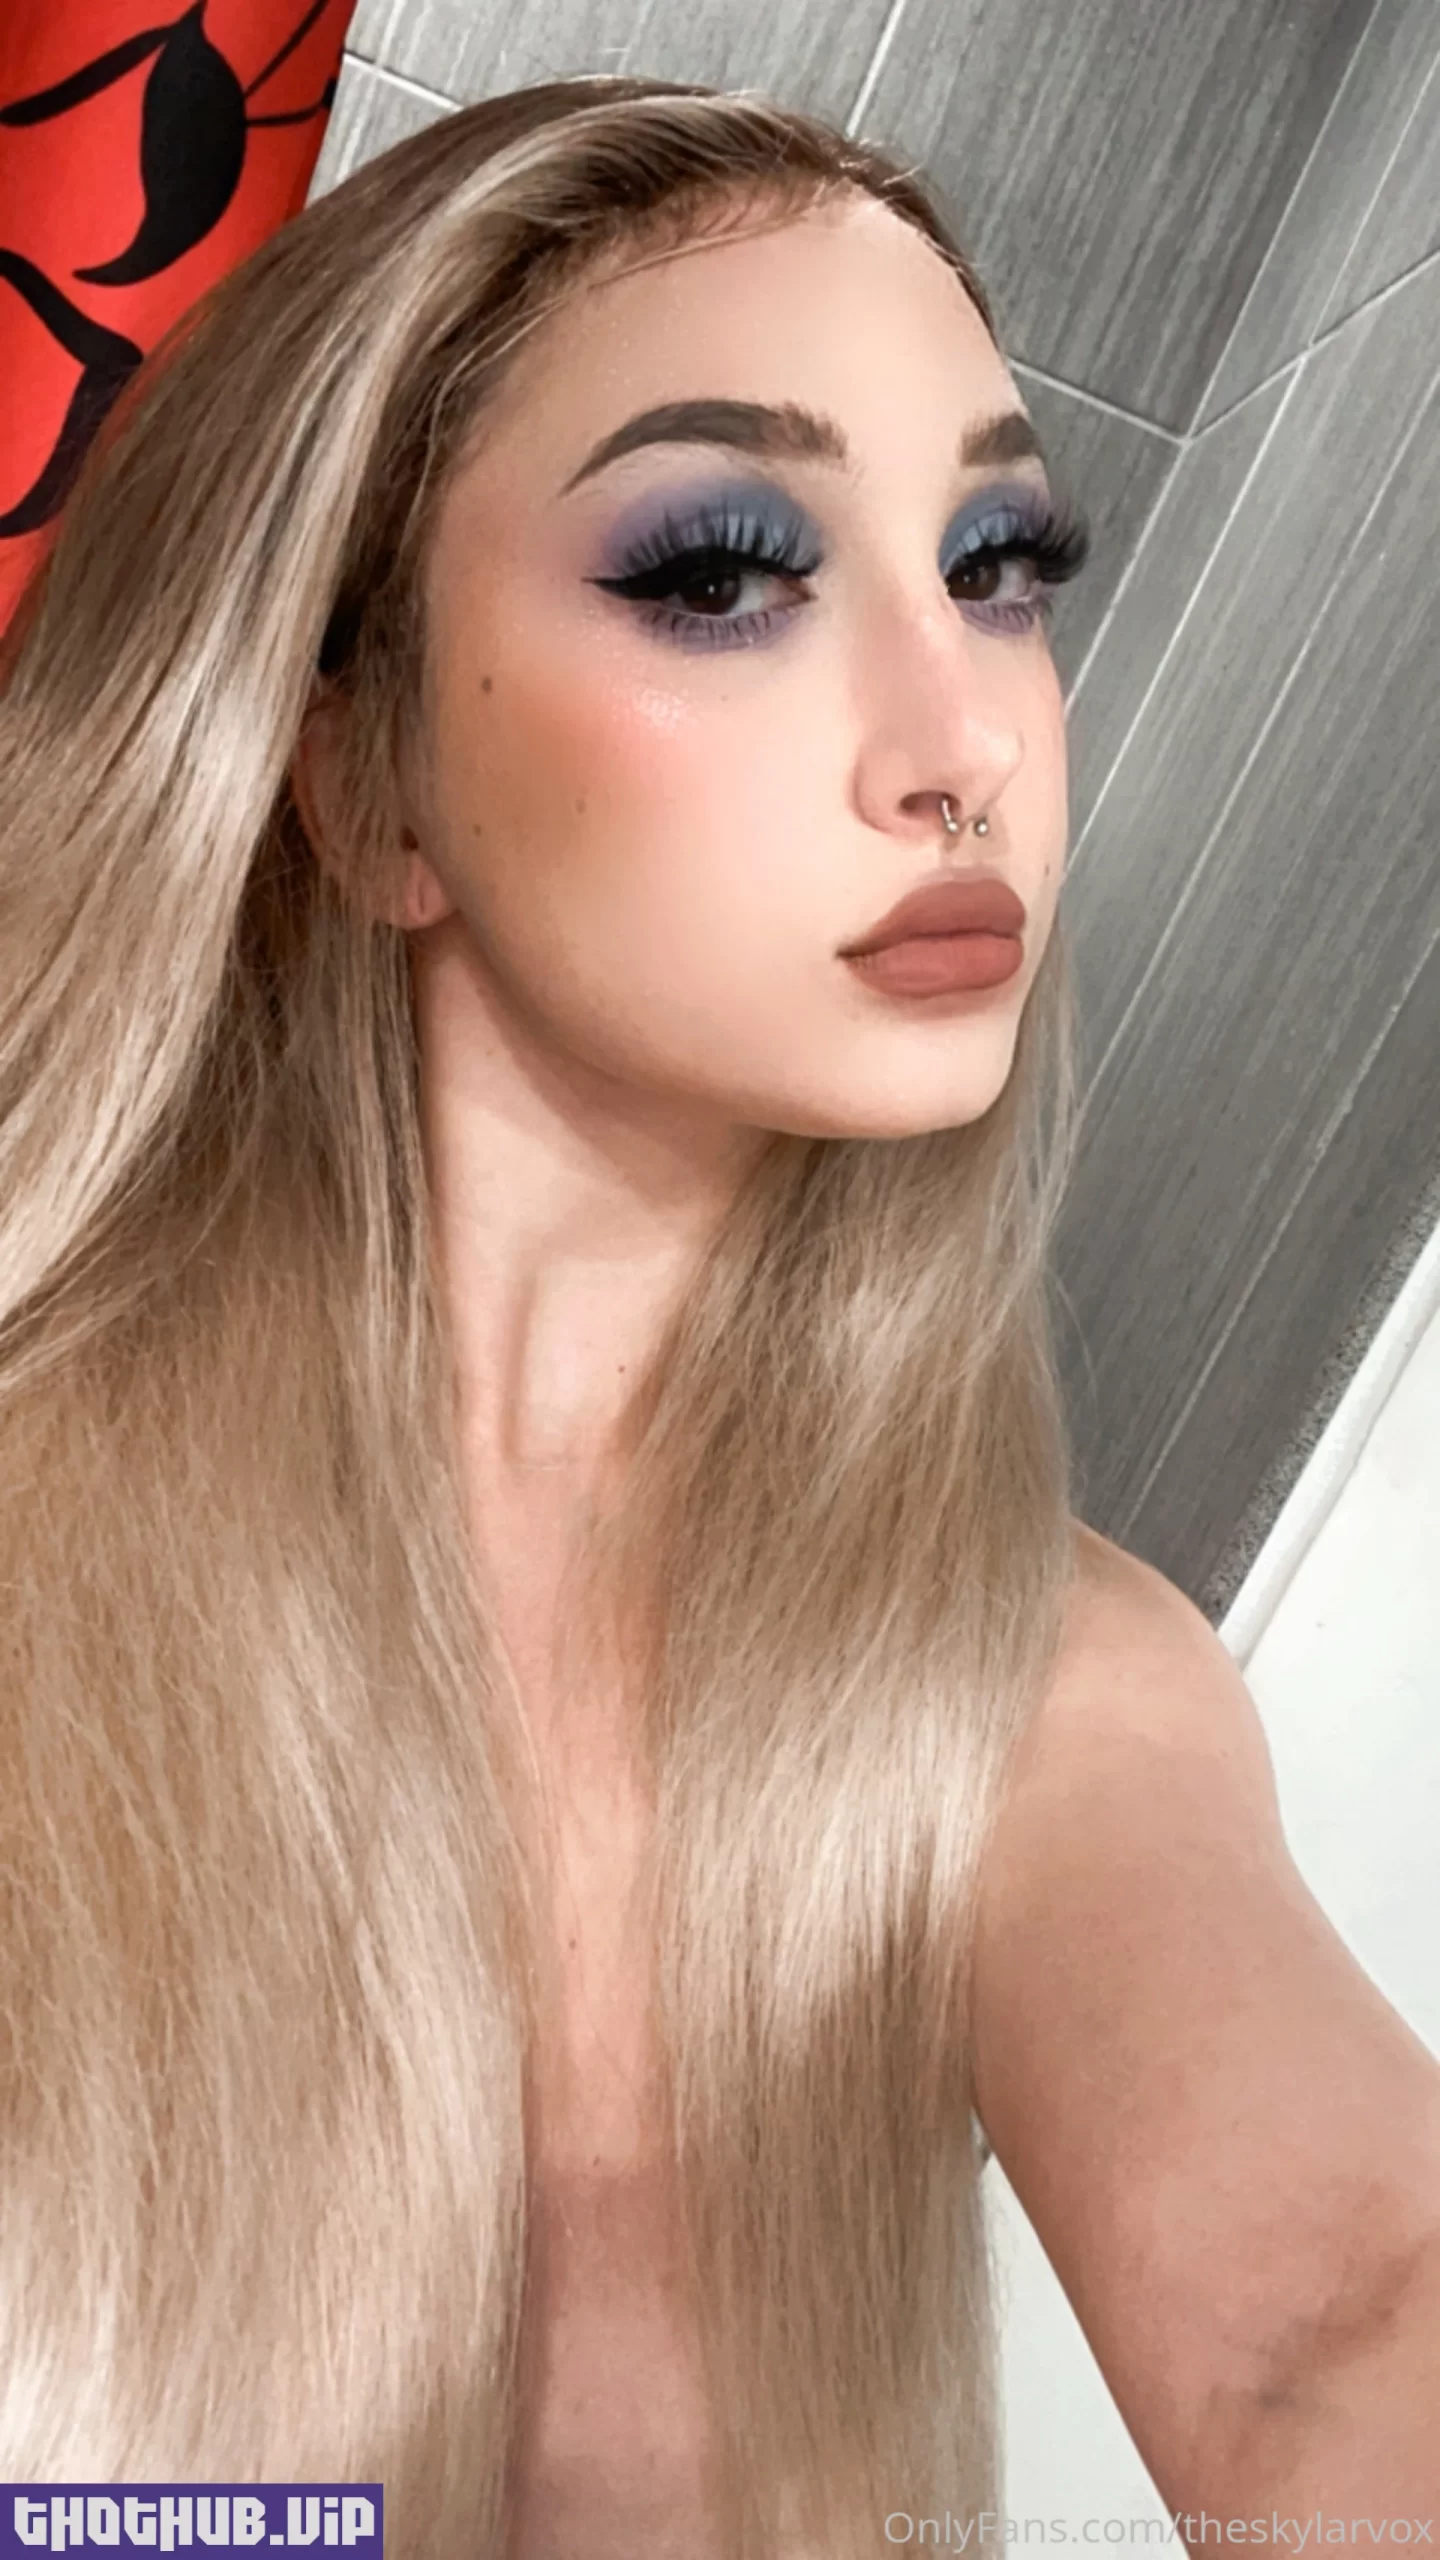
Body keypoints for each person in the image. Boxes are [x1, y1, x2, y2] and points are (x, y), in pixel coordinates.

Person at [1, 73, 1436, 2560]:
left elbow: (1337, 2319)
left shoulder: (1029, 1689)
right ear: (360, 778)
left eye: (1000, 564)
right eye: (724, 568)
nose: (967, 738)